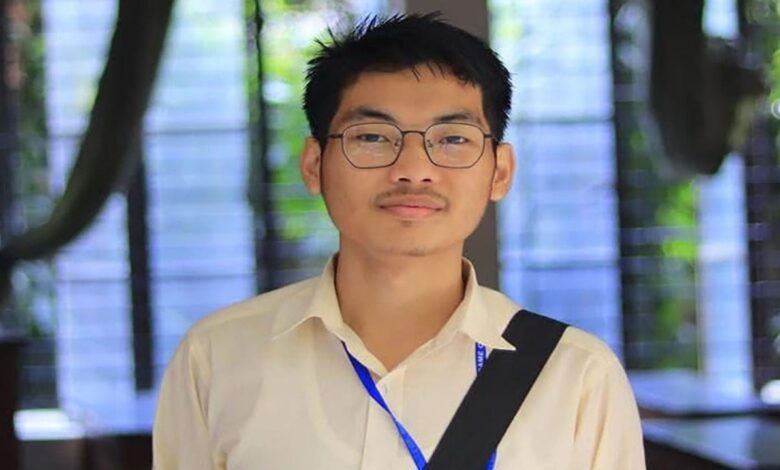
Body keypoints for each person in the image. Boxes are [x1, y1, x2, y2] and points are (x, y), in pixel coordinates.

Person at [153, 13, 645, 469]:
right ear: (313, 165)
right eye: (372, 137)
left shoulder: (577, 376)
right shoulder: (217, 357)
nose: (413, 170)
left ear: (500, 172)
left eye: (452, 139)